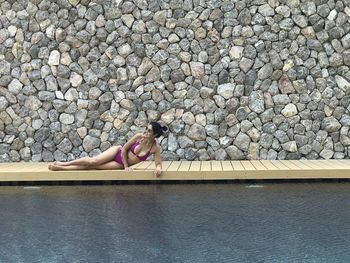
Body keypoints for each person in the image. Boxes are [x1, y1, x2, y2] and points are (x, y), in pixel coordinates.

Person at [48, 122, 168, 177]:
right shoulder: (138, 137)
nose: (146, 132)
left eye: (149, 131)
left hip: (119, 164)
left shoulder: (155, 148)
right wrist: (126, 167)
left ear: (155, 135)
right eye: (146, 129)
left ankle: (58, 168)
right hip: (118, 152)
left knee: (92, 167)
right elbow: (125, 148)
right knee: (93, 161)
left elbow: (158, 163)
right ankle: (64, 164)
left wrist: (158, 169)